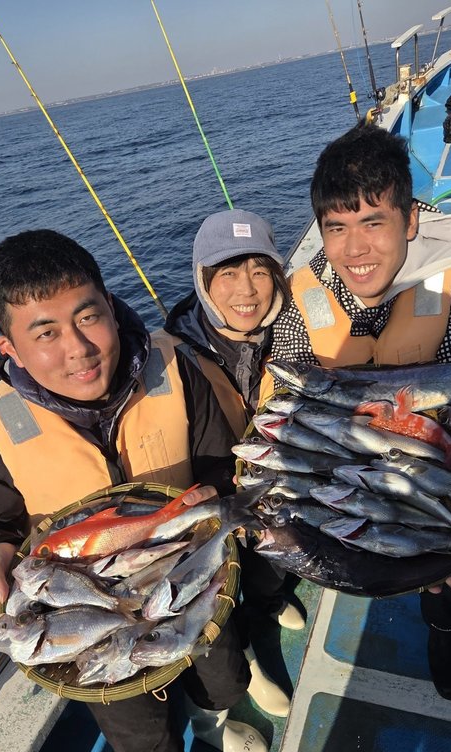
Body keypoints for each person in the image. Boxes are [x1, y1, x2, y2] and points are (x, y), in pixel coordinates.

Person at [0, 229, 271, 752]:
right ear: (7, 344)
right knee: (147, 751)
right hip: (93, 626)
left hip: (189, 576)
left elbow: (214, 466)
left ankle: (211, 723)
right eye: (45, 334)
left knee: (225, 678)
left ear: (107, 301)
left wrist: (213, 494)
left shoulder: (173, 368)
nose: (79, 349)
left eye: (88, 316)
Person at [271, 123, 451, 702]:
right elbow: (285, 390)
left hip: (433, 486)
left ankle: (448, 630)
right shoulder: (306, 292)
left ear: (411, 220)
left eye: (374, 223)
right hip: (346, 483)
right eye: (337, 228)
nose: (355, 249)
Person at [164, 209, 307, 718]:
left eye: (260, 271)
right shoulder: (174, 355)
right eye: (226, 273)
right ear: (203, 282)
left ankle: (267, 605)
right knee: (220, 591)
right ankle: (242, 659)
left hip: (275, 492)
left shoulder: (297, 331)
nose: (246, 290)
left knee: (270, 570)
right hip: (213, 503)